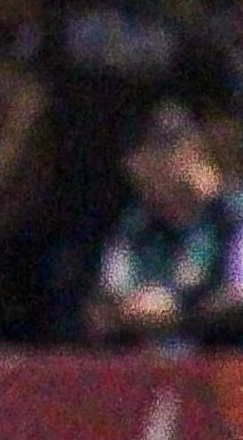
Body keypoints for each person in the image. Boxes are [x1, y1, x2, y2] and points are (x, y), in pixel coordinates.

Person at [82, 100, 243, 351]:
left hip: (224, 366)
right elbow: (106, 300)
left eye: (166, 152)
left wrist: (180, 313)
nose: (153, 172)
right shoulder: (136, 224)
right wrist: (125, 311)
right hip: (152, 367)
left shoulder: (232, 213)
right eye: (143, 160)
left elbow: (238, 297)